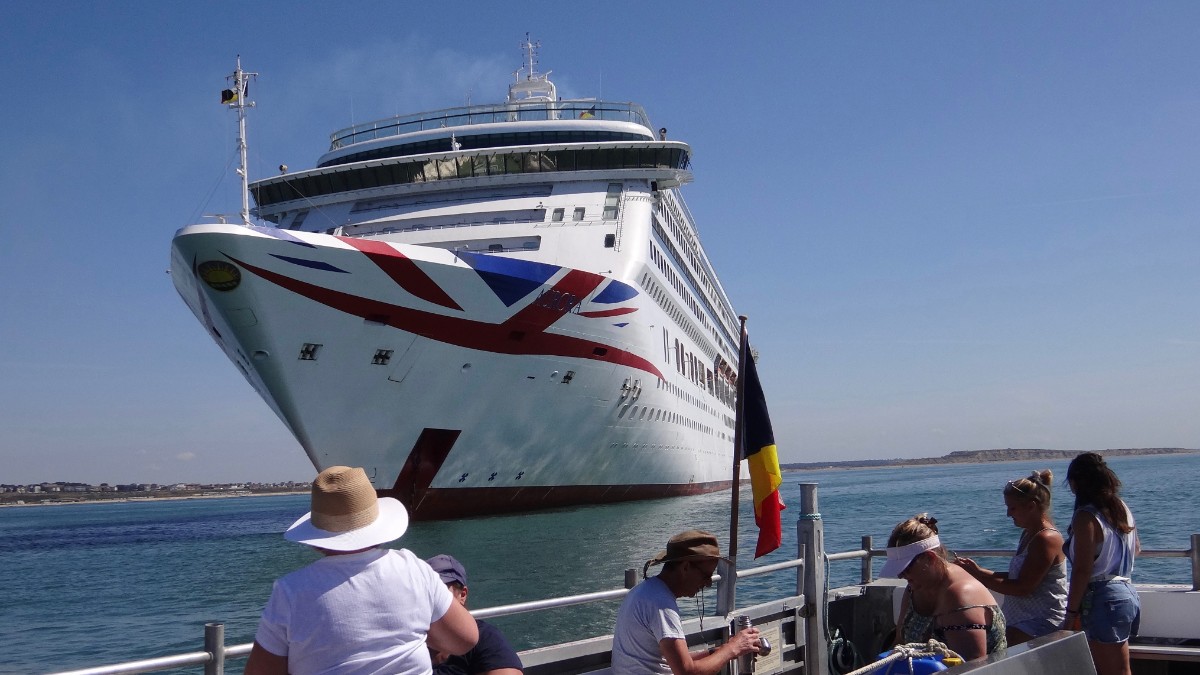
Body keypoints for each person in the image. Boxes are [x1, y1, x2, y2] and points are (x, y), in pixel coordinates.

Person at [244, 466, 478, 675]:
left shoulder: (290, 591)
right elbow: (465, 639)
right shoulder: (413, 568)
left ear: (316, 541)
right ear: (380, 527)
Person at [611, 529, 762, 674]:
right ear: (685, 567)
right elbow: (686, 672)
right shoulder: (661, 604)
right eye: (705, 575)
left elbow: (672, 663)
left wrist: (723, 650)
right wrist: (732, 649)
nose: (708, 583)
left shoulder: (644, 591)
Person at [955, 470, 1068, 645]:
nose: (1008, 514)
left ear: (1031, 506)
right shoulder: (1029, 534)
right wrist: (978, 571)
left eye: (1012, 508)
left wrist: (980, 577)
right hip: (1023, 620)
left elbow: (1023, 587)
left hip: (1041, 622)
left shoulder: (1046, 539)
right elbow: (1020, 576)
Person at [883, 514, 1007, 661]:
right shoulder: (914, 588)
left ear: (930, 558)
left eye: (906, 568)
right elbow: (899, 642)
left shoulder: (962, 597)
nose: (901, 575)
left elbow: (971, 666)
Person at [1063, 452, 1141, 675]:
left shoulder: (1086, 516)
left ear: (1075, 483)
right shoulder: (1121, 508)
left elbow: (1082, 569)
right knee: (1121, 669)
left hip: (1104, 597)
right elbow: (1136, 548)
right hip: (1126, 591)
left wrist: (1070, 613)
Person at [426, 553, 524, 675]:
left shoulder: (485, 639)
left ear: (462, 595)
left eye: (440, 592)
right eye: (425, 591)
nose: (431, 598)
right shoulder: (409, 637)